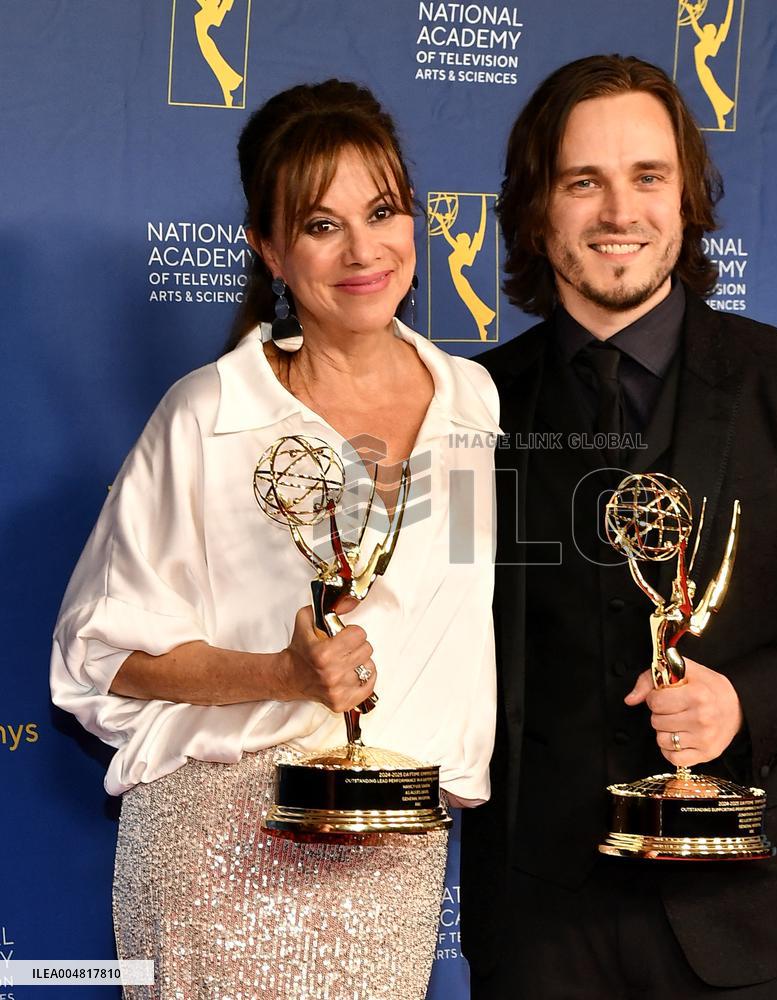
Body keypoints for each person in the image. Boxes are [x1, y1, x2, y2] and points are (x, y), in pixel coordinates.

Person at [460, 55, 777, 999]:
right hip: (543, 919)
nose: (618, 212)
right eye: (583, 180)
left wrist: (742, 701)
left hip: (753, 906)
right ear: (537, 208)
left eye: (648, 177)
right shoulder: (472, 406)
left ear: (688, 199)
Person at [51, 80, 498, 999]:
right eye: (322, 225)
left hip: (390, 851)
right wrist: (282, 677)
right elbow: (99, 656)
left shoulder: (471, 405)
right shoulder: (211, 412)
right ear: (270, 251)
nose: (364, 249)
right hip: (223, 836)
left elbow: (442, 622)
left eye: (382, 211)